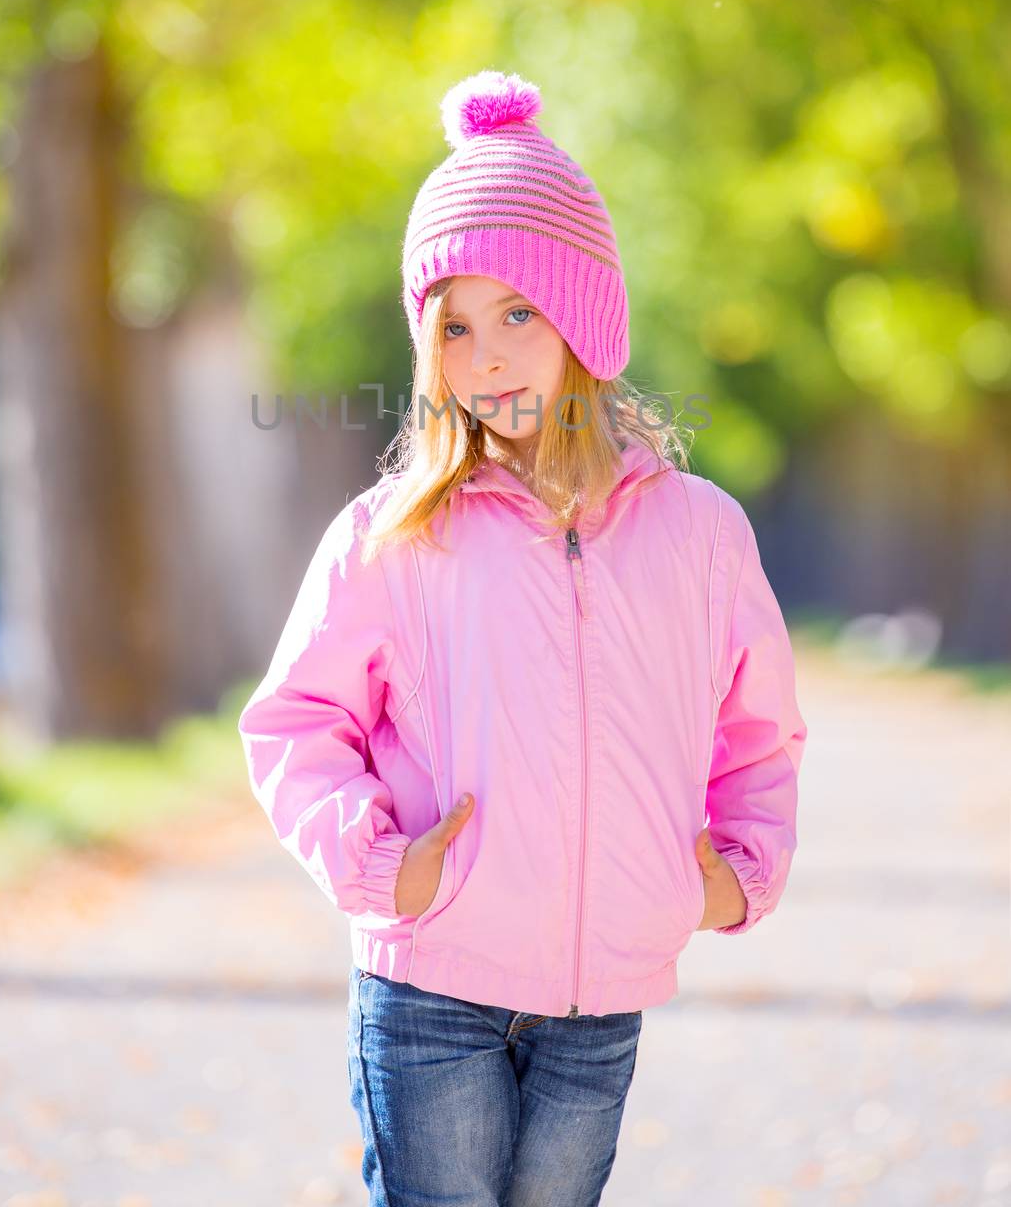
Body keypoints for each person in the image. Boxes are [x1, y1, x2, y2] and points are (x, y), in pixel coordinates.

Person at [237, 69, 808, 1207]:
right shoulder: (393, 536)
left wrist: (729, 877)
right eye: (452, 324)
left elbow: (759, 731)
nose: (484, 354)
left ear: (583, 318)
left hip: (599, 1005)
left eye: (516, 314)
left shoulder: (697, 533)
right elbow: (297, 722)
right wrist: (379, 865)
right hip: (431, 990)